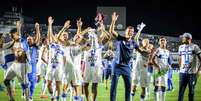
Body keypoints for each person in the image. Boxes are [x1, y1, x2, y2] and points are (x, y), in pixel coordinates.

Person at [109, 12, 145, 101]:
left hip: (127, 67)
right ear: (126, 32)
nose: (131, 32)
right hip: (117, 66)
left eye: (132, 32)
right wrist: (113, 21)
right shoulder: (120, 38)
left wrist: (149, 52)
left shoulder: (134, 43)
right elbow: (111, 31)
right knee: (113, 87)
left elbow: (141, 51)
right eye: (129, 31)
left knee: (128, 88)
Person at [2, 21, 31, 101]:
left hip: (21, 65)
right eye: (12, 35)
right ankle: (11, 98)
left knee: (24, 84)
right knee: (6, 81)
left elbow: (19, 38)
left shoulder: (21, 41)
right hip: (14, 65)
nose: (12, 36)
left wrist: (18, 27)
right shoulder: (11, 43)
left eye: (13, 34)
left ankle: (27, 99)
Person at [178, 33, 201, 101]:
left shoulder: (195, 47)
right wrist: (180, 68)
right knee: (181, 92)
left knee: (191, 91)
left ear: (189, 39)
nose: (182, 39)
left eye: (184, 37)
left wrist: (199, 70)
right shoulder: (180, 47)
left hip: (192, 73)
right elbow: (180, 58)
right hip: (182, 73)